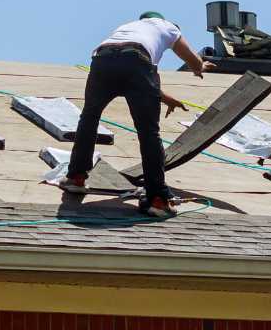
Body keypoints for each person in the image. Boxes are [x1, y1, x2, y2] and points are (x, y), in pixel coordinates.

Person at [59, 11, 213, 217]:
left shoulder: (128, 28)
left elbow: (128, 69)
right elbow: (189, 61)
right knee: (149, 132)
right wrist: (200, 66)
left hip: (103, 59)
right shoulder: (168, 27)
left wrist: (164, 97)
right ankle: (157, 198)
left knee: (89, 118)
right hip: (137, 61)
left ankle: (76, 178)